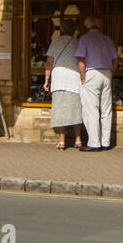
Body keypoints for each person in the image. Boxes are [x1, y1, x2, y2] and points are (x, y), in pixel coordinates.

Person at [76, 15, 118, 151]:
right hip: (106, 73)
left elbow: (81, 60)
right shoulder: (107, 39)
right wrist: (111, 73)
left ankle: (94, 143)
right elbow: (115, 60)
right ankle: (106, 142)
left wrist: (82, 76)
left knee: (91, 109)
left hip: (92, 73)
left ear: (87, 26)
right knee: (106, 109)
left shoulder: (85, 39)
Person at [44, 19, 84, 150]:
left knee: (59, 110)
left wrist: (46, 80)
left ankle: (62, 140)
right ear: (74, 30)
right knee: (76, 109)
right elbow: (82, 60)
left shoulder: (55, 42)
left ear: (61, 29)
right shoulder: (78, 43)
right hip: (74, 79)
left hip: (59, 79)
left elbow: (49, 62)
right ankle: (78, 139)